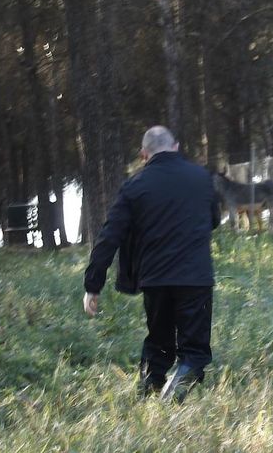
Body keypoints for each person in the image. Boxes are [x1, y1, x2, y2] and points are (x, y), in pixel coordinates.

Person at [83, 126, 220, 403]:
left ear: (144, 155)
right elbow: (213, 220)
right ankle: (173, 394)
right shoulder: (201, 178)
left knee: (159, 345)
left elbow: (109, 237)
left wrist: (92, 285)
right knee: (194, 352)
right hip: (195, 278)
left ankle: (147, 401)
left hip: (155, 280)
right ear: (176, 146)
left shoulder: (135, 186)